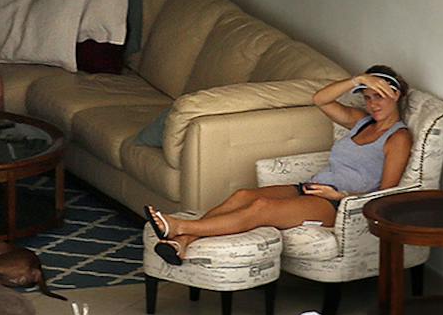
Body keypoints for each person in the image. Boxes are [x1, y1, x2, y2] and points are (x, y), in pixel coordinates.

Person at [146, 66, 413, 263]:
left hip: (337, 204)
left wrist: (341, 197)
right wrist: (358, 80)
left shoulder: (398, 138)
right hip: (312, 187)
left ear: (395, 94)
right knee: (244, 195)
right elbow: (320, 99)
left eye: (378, 96)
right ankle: (182, 243)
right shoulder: (361, 121)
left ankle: (180, 227)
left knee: (262, 208)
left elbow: (385, 195)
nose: (372, 104)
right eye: (367, 97)